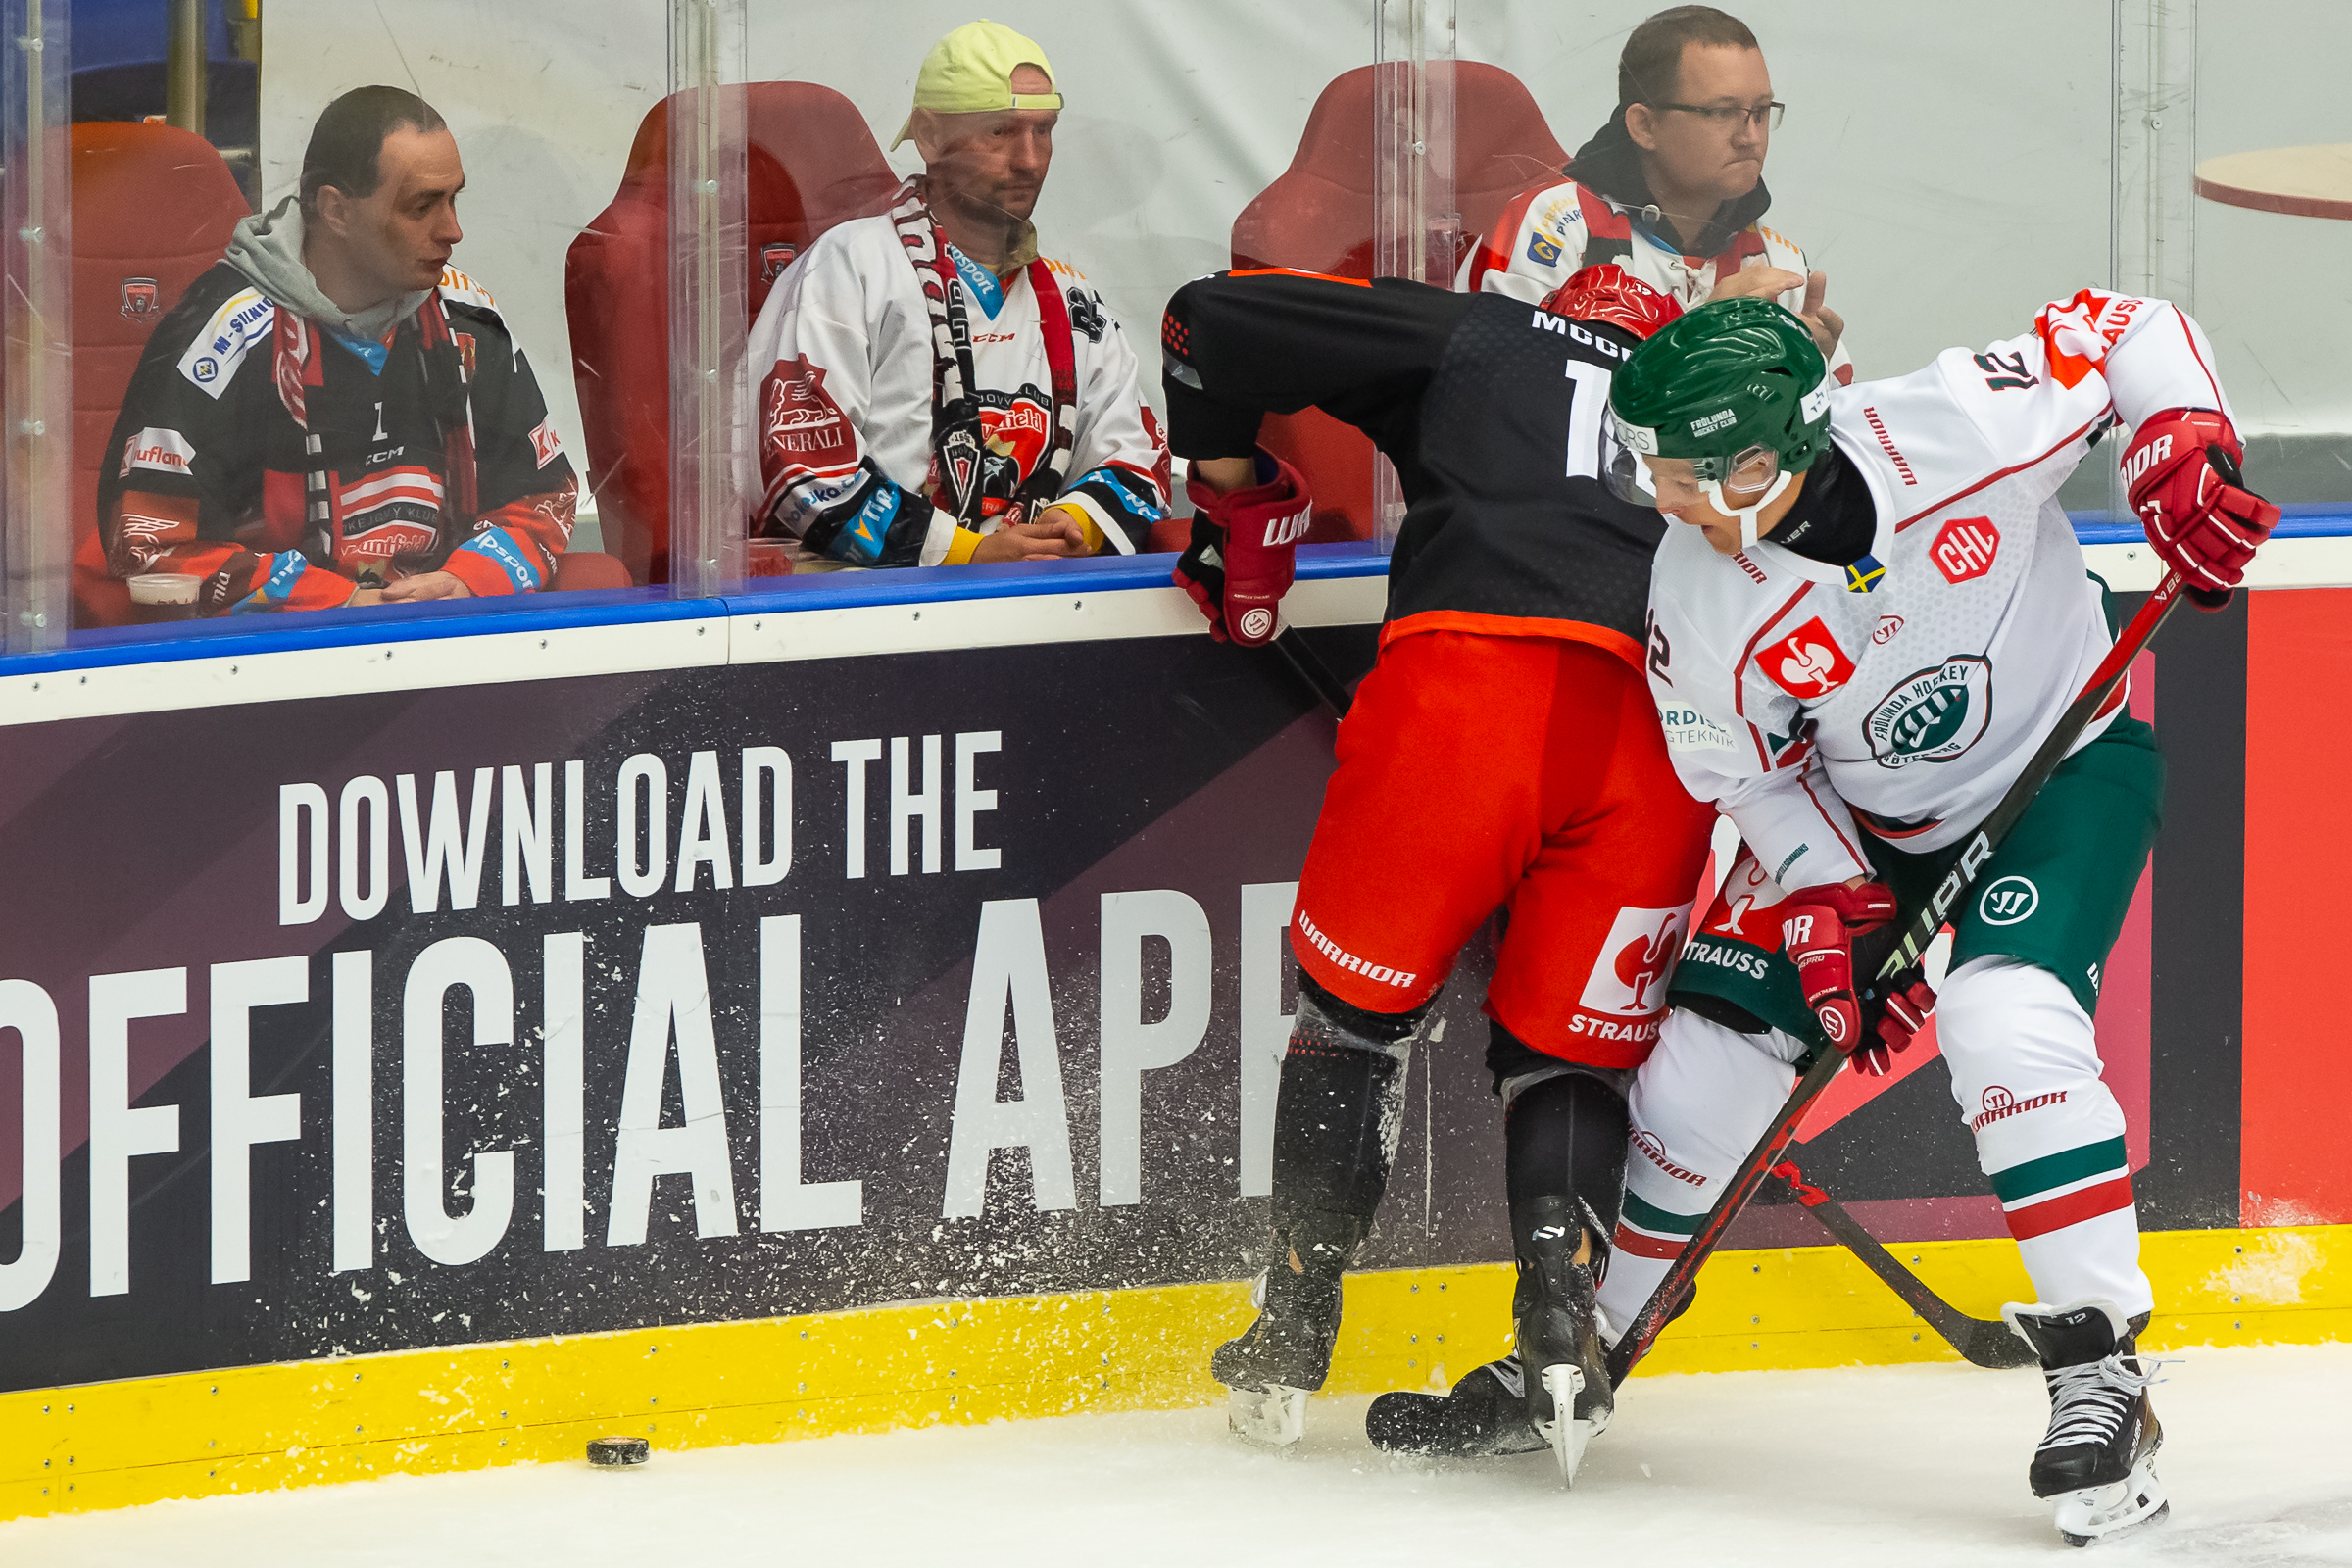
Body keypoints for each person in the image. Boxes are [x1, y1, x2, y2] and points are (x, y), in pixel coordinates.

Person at [1590, 287, 2277, 1544]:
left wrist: (2180, 439)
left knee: (2003, 1020)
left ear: (1761, 460)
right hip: (1869, 825)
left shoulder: (1959, 424)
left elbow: (2127, 326)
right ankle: (1591, 1339)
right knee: (1701, 1074)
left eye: (1680, 471)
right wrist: (1825, 893)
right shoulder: (1697, 591)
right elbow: (1751, 774)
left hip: (2065, 770)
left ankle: (2101, 1370)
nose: (1660, 496)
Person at [1159, 260, 1866, 1481]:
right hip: (1659, 737)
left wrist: (1237, 506)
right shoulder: (1721, 421)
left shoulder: (1477, 331)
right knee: (1569, 1054)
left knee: (1351, 1021)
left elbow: (1206, 319)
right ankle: (1557, 1311)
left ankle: (1294, 1320)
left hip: (1467, 690)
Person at [99, 86, 577, 613]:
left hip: (438, 627)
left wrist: (466, 580)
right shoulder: (224, 335)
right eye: (422, 206)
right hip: (280, 651)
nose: (453, 230)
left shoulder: (467, 318)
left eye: (453, 199)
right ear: (336, 211)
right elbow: (155, 543)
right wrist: (341, 605)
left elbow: (545, 496)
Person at [741, 20, 1168, 571]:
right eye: (1001, 131)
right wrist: (970, 554)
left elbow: (1139, 455)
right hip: (870, 602)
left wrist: (1071, 525)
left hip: (1042, 594)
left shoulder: (1071, 298)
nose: (1030, 160)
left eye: (1043, 131)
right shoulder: (850, 265)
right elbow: (802, 465)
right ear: (929, 137)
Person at [1459, 6, 1852, 387]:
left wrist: (1810, 381)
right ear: (1645, 126)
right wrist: (1700, 334)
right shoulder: (1553, 227)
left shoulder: (1778, 262)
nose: (1750, 137)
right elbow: (1498, 398)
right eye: (1722, 112)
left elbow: (1846, 422)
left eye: (1761, 111)